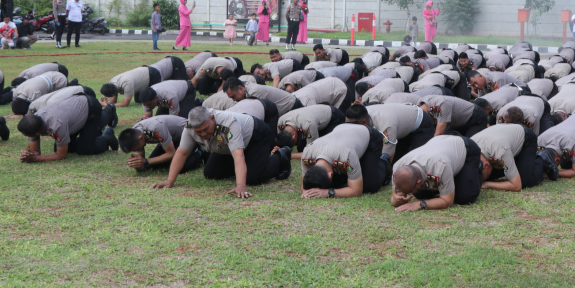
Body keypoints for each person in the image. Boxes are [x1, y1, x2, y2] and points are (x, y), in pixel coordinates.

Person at [151, 107, 291, 199]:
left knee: (253, 178)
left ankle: (281, 156)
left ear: (212, 118)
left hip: (255, 134)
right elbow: (181, 153)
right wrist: (170, 181)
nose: (203, 134)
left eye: (206, 129)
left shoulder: (228, 124)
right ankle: (246, 168)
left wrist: (241, 185)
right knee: (211, 173)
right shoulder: (190, 128)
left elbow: (238, 155)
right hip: (227, 146)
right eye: (198, 132)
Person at [391, 134, 483, 211]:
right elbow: (397, 197)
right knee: (421, 194)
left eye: (410, 191)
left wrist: (419, 205)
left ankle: (478, 167)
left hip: (464, 147)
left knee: (464, 197)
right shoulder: (397, 168)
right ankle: (448, 178)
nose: (409, 194)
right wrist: (396, 199)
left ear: (418, 182)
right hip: (439, 146)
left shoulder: (440, 165)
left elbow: (448, 201)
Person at [17, 94, 118, 162]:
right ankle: (91, 133)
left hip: (90, 107)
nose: (29, 138)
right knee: (66, 147)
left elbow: (61, 155)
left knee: (85, 149)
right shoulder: (32, 122)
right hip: (72, 114)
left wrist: (35, 159)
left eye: (29, 136)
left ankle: (107, 132)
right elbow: (36, 152)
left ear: (38, 133)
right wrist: (29, 155)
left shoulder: (56, 125)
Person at [300, 123, 391, 198]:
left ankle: (384, 161)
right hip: (342, 130)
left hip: (370, 137)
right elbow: (305, 181)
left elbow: (356, 190)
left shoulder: (346, 156)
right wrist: (306, 192)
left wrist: (327, 192)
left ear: (330, 174)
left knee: (369, 185)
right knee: (337, 182)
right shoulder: (306, 154)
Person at [117, 115, 204, 174]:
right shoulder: (135, 134)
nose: (137, 151)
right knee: (154, 165)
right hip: (171, 139)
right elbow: (143, 168)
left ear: (141, 138)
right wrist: (137, 164)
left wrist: (146, 161)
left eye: (136, 149)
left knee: (179, 167)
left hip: (188, 134)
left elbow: (171, 153)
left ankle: (201, 152)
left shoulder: (156, 128)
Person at [472, 123, 544, 191]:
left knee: (526, 180)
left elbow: (516, 186)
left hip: (526, 139)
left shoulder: (500, 151)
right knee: (491, 174)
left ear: (486, 165)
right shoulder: (470, 148)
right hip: (504, 139)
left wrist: (486, 184)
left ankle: (542, 158)